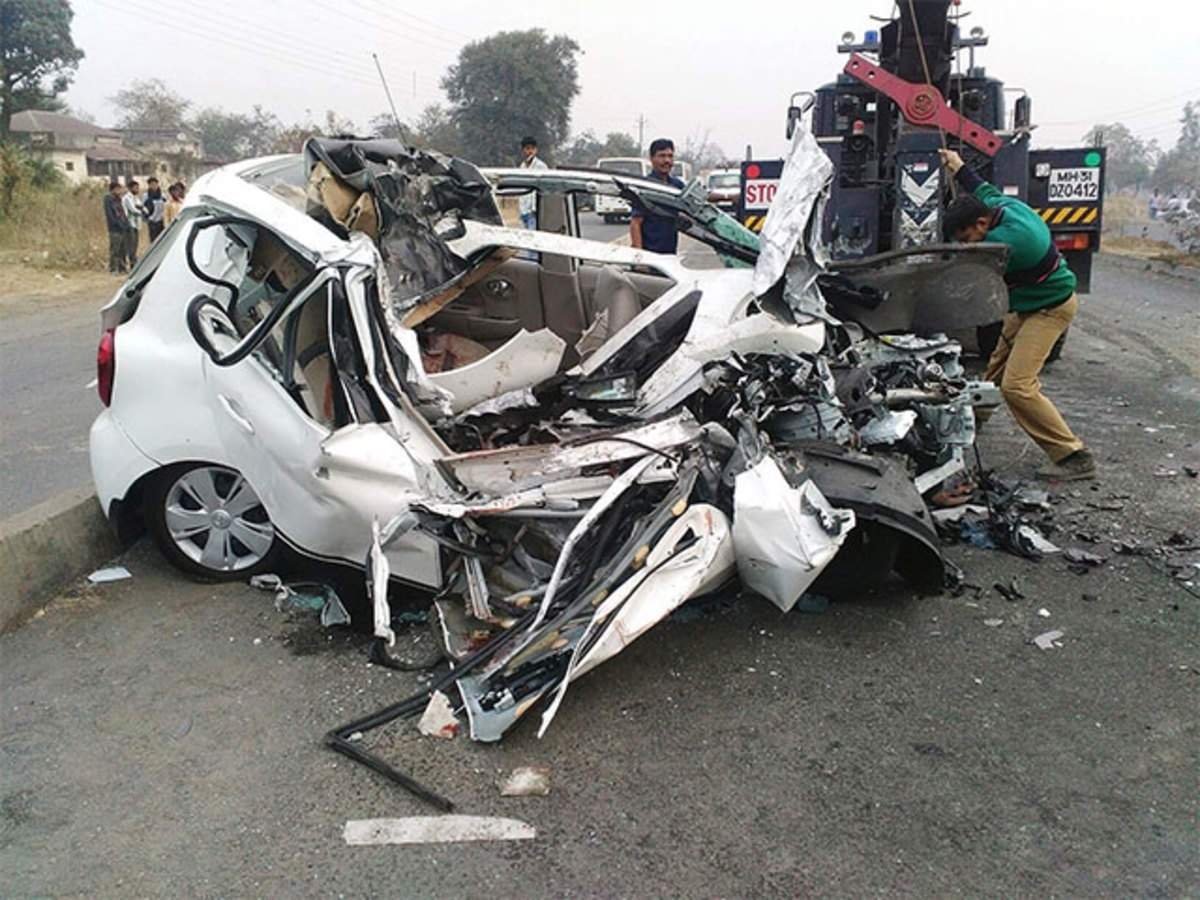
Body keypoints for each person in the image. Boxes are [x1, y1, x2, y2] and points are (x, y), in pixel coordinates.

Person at [940, 147, 1095, 481]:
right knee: (995, 369)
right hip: (1026, 306)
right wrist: (957, 166)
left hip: (1050, 308)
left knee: (1017, 386)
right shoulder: (1000, 208)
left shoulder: (1011, 243)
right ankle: (973, 422)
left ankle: (1072, 456)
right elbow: (981, 187)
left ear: (981, 224)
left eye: (966, 239)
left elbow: (967, 278)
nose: (966, 245)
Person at [629, 138, 685, 253]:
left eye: (670, 156)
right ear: (651, 158)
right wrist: (639, 255)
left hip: (670, 253)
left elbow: (696, 199)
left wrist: (723, 196)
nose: (667, 160)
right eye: (662, 156)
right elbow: (636, 223)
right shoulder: (645, 186)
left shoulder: (676, 185)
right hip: (650, 255)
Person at [517, 137, 547, 230]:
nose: (530, 151)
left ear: (536, 150)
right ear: (523, 150)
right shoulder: (522, 166)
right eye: (527, 148)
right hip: (523, 209)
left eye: (532, 149)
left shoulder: (541, 166)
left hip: (534, 210)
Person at [103, 181, 130, 274]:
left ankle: (122, 268)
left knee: (123, 249)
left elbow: (123, 212)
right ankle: (113, 268)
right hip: (114, 229)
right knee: (115, 249)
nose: (119, 191)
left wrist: (126, 223)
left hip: (123, 227)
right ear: (113, 190)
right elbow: (110, 215)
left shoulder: (119, 199)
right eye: (118, 189)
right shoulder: (108, 199)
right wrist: (117, 224)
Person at [122, 179, 144, 268]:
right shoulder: (127, 198)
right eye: (135, 188)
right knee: (131, 245)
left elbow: (141, 206)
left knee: (135, 245)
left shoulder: (136, 198)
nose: (137, 189)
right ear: (130, 188)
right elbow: (133, 209)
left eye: (138, 188)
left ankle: (134, 262)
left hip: (136, 224)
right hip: (130, 224)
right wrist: (142, 212)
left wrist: (142, 209)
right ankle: (132, 263)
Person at [143, 176, 166, 241]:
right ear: (149, 185)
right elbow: (144, 208)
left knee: (162, 239)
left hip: (161, 220)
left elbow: (165, 206)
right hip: (152, 221)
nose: (154, 186)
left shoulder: (162, 195)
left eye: (155, 184)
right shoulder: (146, 195)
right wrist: (147, 218)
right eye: (151, 184)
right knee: (153, 240)